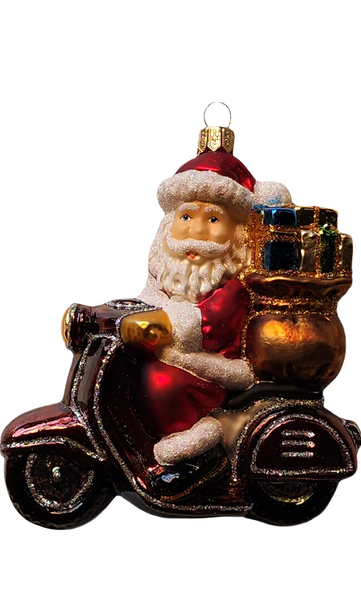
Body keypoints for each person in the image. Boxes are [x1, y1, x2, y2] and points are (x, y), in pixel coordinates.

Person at [120, 141, 291, 495]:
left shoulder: (233, 284)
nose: (195, 232)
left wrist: (165, 325)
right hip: (167, 348)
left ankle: (201, 443)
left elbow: (210, 322)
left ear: (235, 231)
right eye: (186, 217)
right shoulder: (165, 270)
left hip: (212, 367)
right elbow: (147, 299)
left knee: (160, 381)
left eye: (212, 219)